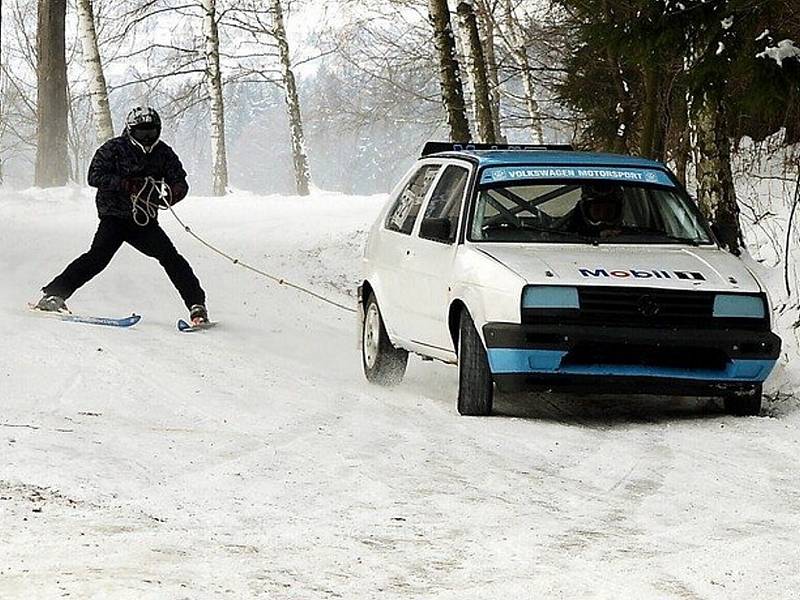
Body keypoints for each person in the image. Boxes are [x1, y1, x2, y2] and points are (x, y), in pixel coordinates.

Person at [34, 106, 209, 324]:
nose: (147, 137)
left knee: (171, 258)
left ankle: (197, 306)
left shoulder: (164, 153)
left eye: (151, 132)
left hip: (144, 221)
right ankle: (54, 295)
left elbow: (179, 180)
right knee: (97, 258)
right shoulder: (113, 148)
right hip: (114, 217)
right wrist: (124, 184)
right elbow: (94, 176)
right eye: (141, 132)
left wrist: (175, 193)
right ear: (130, 130)